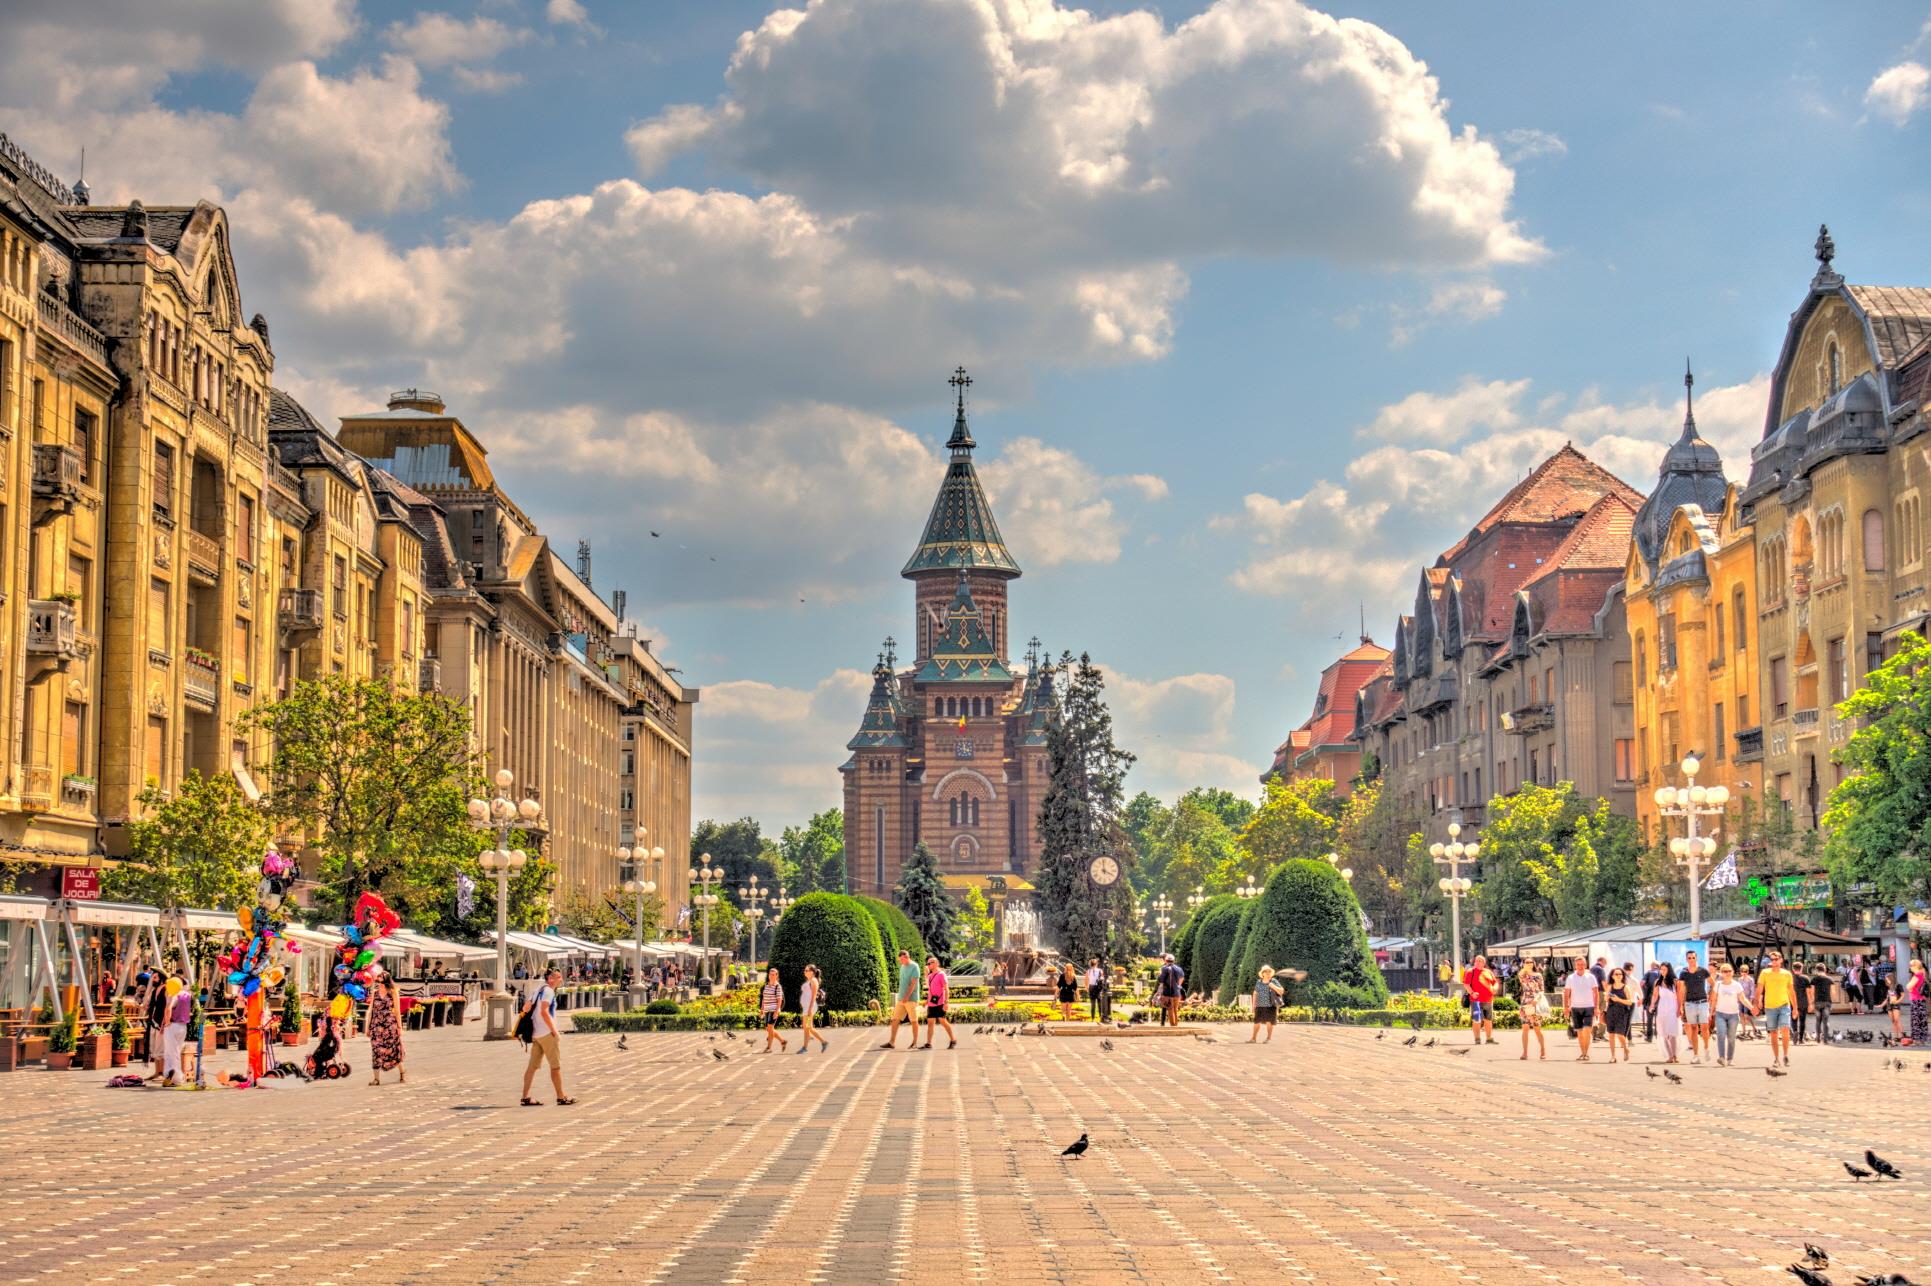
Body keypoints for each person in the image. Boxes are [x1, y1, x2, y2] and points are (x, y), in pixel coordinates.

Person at [519, 966, 575, 1106]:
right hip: (546, 1034)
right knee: (555, 1066)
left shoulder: (538, 989)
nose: (560, 979)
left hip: (536, 1034)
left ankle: (525, 1097)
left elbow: (525, 1008)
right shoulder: (549, 991)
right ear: (550, 979)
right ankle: (561, 1097)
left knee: (532, 1067)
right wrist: (554, 1031)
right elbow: (544, 1011)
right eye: (558, 977)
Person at [1757, 950, 1797, 1069]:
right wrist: (1756, 1002)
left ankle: (1785, 1055)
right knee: (1773, 1033)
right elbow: (1759, 988)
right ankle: (1776, 1058)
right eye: (1772, 959)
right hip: (1769, 1006)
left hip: (1784, 1005)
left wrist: (1795, 1008)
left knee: (1785, 1029)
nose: (1773, 961)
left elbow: (1791, 991)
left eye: (1776, 959)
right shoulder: (1765, 973)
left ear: (1781, 960)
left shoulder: (1787, 974)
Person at [1709, 962, 1754, 1067]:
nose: (1727, 973)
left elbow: (1742, 999)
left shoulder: (1737, 985)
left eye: (1729, 971)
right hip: (1720, 1014)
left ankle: (1730, 1059)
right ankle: (1721, 1057)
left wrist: (1751, 1008)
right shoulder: (1718, 985)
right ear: (1721, 973)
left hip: (1733, 1015)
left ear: (1733, 972)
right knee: (1721, 1035)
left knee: (1731, 1038)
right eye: (1725, 971)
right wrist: (1711, 1012)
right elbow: (1714, 1000)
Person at [367, 971, 406, 1085]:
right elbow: (371, 1010)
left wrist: (399, 1027)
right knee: (376, 1051)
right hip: (376, 1026)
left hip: (390, 1026)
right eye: (377, 980)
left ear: (385, 981)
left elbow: (397, 1011)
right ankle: (376, 1079)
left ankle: (402, 1072)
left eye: (380, 980)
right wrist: (368, 1027)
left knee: (392, 1050)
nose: (378, 982)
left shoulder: (392, 992)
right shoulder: (375, 992)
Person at [881, 950, 922, 1049]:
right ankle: (891, 1042)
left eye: (902, 959)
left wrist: (907, 996)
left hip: (911, 999)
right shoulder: (903, 966)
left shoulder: (915, 967)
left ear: (907, 957)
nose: (901, 962)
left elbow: (913, 984)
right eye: (900, 960)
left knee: (913, 1020)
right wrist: (902, 997)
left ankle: (915, 1042)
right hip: (901, 999)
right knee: (895, 1019)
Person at [1562, 956, 1600, 1062]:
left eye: (1582, 964)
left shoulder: (1591, 977)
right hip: (1575, 1007)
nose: (1580, 966)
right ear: (1575, 965)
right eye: (1578, 964)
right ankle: (1582, 1052)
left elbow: (1596, 993)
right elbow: (1566, 994)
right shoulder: (1570, 978)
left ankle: (1586, 1053)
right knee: (1579, 1032)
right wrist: (1566, 1007)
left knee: (1587, 1030)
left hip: (1589, 1006)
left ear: (1586, 965)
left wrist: (1596, 1007)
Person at [1679, 950, 1712, 1065]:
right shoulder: (1683, 973)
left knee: (1704, 1027)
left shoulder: (1703, 971)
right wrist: (1680, 1005)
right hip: (1689, 1003)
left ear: (1696, 958)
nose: (1691, 960)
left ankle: (1707, 1048)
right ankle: (1696, 1055)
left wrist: (1711, 998)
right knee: (1693, 1028)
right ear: (1686, 959)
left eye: (1693, 957)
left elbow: (1713, 983)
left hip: (1703, 1002)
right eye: (1689, 958)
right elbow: (1682, 990)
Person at [159, 976, 191, 1087]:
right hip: (183, 1026)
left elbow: (168, 1008)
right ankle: (171, 1074)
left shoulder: (173, 995)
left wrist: (166, 1022)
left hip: (173, 1025)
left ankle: (175, 1076)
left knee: (170, 1052)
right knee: (176, 1050)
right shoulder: (187, 995)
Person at [1462, 955, 1499, 1046]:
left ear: (1484, 963)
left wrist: (1495, 988)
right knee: (1476, 1020)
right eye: (1477, 961)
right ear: (1474, 962)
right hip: (1476, 1000)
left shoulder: (1488, 972)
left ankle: (1489, 1038)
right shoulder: (1470, 972)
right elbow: (1466, 984)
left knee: (1488, 1020)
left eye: (1480, 961)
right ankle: (1477, 1039)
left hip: (1488, 999)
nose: (1478, 962)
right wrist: (1472, 993)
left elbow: (1495, 983)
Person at [1651, 962, 1682, 1063]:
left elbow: (1680, 996)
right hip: (1662, 1009)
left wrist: (1680, 1009)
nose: (1662, 971)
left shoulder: (1675, 982)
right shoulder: (1658, 982)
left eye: (1664, 969)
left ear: (1669, 970)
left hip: (1673, 1009)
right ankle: (1670, 1056)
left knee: (1672, 1034)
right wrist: (1652, 1005)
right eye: (1661, 969)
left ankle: (1675, 1055)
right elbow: (1655, 995)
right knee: (1664, 1034)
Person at [921, 957, 955, 1049]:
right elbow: (930, 990)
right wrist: (927, 1001)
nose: (928, 965)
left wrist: (946, 1002)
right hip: (932, 1003)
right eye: (927, 963)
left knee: (943, 1021)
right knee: (930, 1023)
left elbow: (946, 989)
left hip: (940, 1002)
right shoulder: (931, 976)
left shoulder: (941, 974)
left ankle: (953, 1040)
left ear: (936, 963)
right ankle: (928, 1043)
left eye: (930, 963)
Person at [1603, 967, 1636, 1063]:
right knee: (1611, 1035)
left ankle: (1625, 1049)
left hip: (1622, 1012)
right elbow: (1606, 1000)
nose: (1618, 976)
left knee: (1620, 1034)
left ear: (1622, 976)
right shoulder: (1610, 987)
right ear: (1612, 976)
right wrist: (1607, 996)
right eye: (1616, 974)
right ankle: (1613, 1056)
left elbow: (1630, 1002)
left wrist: (1618, 999)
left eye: (1620, 974)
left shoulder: (1626, 987)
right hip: (1611, 1012)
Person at [140, 971, 168, 1083]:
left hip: (161, 1022)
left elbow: (167, 1007)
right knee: (155, 1047)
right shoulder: (154, 990)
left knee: (161, 1048)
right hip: (152, 1021)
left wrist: (164, 1023)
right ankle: (157, 1072)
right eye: (152, 977)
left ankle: (163, 1073)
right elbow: (147, 1006)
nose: (153, 979)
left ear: (161, 978)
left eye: (155, 977)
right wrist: (140, 1006)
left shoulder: (166, 989)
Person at [1517, 959, 1547, 1061]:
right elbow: (1520, 975)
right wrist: (1525, 969)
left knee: (1536, 1028)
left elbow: (1542, 990)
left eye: (1530, 962)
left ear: (1534, 963)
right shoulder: (1522, 975)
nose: (1529, 964)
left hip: (1535, 1002)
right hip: (1526, 1002)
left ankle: (1542, 1050)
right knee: (1525, 1027)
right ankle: (1525, 1053)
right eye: (1526, 962)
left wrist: (1536, 1000)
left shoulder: (1538, 975)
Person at [797, 964, 829, 1053]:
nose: (805, 972)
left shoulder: (814, 981)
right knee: (807, 1027)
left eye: (807, 970)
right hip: (807, 1007)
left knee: (808, 1027)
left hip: (809, 1007)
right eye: (805, 970)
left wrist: (810, 1009)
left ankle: (805, 1047)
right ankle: (822, 1042)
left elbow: (814, 996)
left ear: (812, 972)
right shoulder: (810, 980)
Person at [1249, 965, 1284, 1044]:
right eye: (1266, 971)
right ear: (1262, 973)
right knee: (1256, 1022)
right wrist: (1253, 1006)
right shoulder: (1259, 982)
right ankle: (1253, 1038)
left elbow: (1281, 991)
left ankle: (1268, 1038)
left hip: (1270, 1005)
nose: (1268, 973)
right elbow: (1255, 994)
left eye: (1269, 972)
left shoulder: (1273, 981)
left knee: (1269, 1022)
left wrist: (1273, 986)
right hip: (1259, 1005)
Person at [759, 966, 788, 1053]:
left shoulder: (777, 986)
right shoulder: (766, 986)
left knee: (770, 1028)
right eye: (770, 974)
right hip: (767, 1010)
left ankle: (769, 1048)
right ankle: (782, 1041)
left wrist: (777, 1010)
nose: (771, 976)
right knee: (768, 1029)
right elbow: (764, 998)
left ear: (776, 976)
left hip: (773, 1009)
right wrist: (762, 1009)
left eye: (773, 975)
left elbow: (779, 999)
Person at [1154, 953, 1185, 1027]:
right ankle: (1176, 1025)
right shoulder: (1179, 969)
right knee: (1175, 1010)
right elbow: (1182, 978)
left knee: (1170, 1010)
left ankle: (1173, 1027)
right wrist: (1178, 985)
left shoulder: (1164, 968)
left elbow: (1161, 980)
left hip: (1168, 993)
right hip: (1177, 993)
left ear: (1166, 961)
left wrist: (1159, 975)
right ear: (1173, 961)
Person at [1808, 960, 1835, 1045]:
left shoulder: (1814, 979)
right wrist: (1833, 1001)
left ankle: (1818, 1039)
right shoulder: (1830, 979)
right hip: (1827, 1002)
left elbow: (1812, 992)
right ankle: (1826, 1040)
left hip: (1817, 1002)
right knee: (1826, 1021)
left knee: (1818, 1021)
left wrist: (1811, 1002)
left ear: (1816, 970)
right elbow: (1833, 992)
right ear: (1825, 970)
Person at [1907, 957, 1928, 1046]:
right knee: (1921, 1020)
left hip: (1916, 1000)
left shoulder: (1917, 975)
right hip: (1921, 1000)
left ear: (1915, 966)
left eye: (1911, 965)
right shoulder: (1922, 974)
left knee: (1916, 1020)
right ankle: (1921, 1039)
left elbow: (1908, 987)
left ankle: (1917, 1040)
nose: (1910, 967)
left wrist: (1910, 989)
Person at [1640, 960, 1661, 1043]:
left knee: (1650, 1018)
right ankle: (1660, 1036)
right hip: (1662, 999)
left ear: (1652, 966)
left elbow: (1641, 983)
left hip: (1650, 998)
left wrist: (1645, 991)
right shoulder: (1663, 973)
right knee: (1660, 1018)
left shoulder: (1649, 973)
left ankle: (1649, 1037)